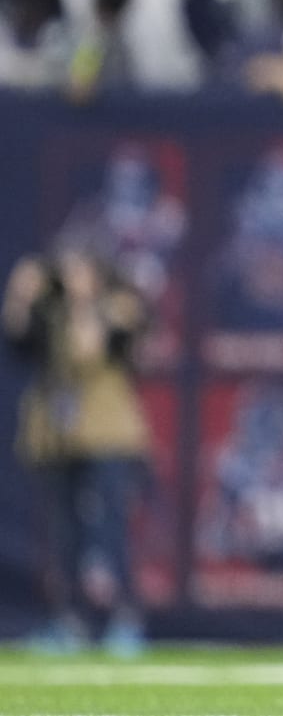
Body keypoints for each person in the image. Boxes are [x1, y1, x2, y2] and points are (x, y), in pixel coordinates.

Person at [2, 247, 152, 656]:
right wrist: (21, 294)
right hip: (58, 434)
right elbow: (18, 344)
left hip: (107, 432)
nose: (72, 277)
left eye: (80, 267)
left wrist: (85, 304)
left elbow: (91, 351)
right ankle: (69, 622)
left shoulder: (118, 306)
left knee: (111, 528)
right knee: (63, 532)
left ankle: (126, 620)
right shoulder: (50, 312)